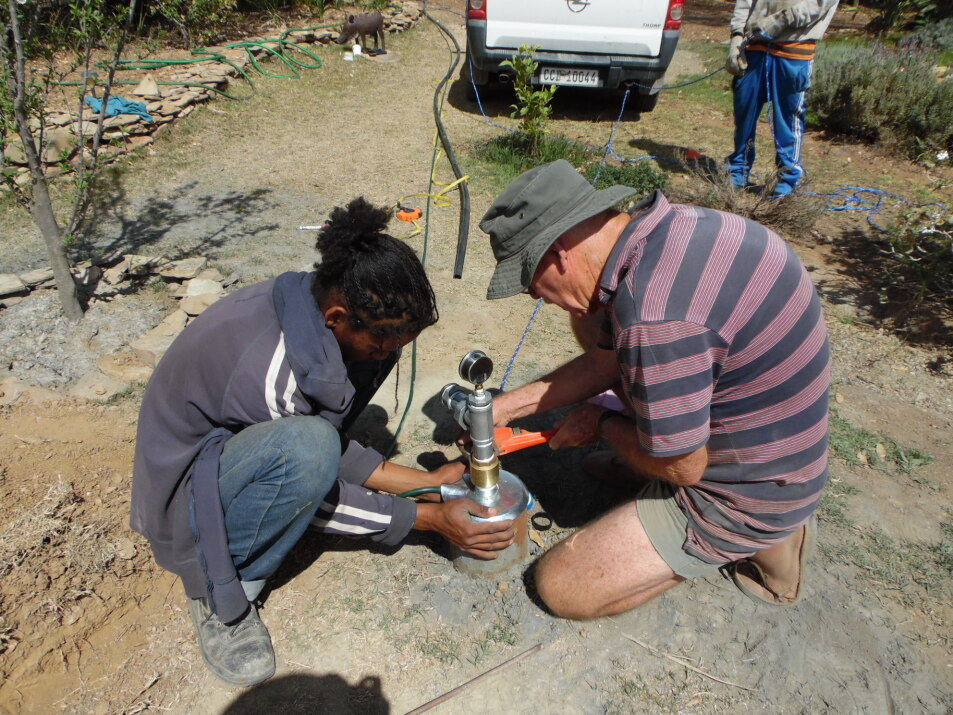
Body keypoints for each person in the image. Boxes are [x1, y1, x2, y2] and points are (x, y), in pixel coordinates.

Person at [130, 197, 515, 687]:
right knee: (308, 451)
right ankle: (219, 589)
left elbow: (326, 441)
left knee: (316, 438)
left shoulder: (314, 305)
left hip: (243, 448)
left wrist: (427, 483)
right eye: (382, 340)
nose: (389, 352)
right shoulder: (271, 373)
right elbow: (311, 468)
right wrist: (424, 518)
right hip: (186, 494)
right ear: (336, 316)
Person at [479, 160, 830, 619]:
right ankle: (654, 447)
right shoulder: (671, 227)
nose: (534, 297)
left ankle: (774, 541)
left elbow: (684, 469)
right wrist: (505, 408)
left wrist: (601, 424)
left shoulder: (653, 321)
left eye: (530, 282)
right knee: (590, 318)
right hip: (767, 424)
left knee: (562, 586)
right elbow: (605, 360)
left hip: (754, 484)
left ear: (559, 253)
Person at [725, 0, 840, 198]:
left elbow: (819, 4)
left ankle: (787, 184)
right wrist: (736, 37)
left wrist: (783, 19)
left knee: (788, 120)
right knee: (744, 113)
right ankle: (737, 173)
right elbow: (744, 3)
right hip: (753, 48)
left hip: (795, 51)